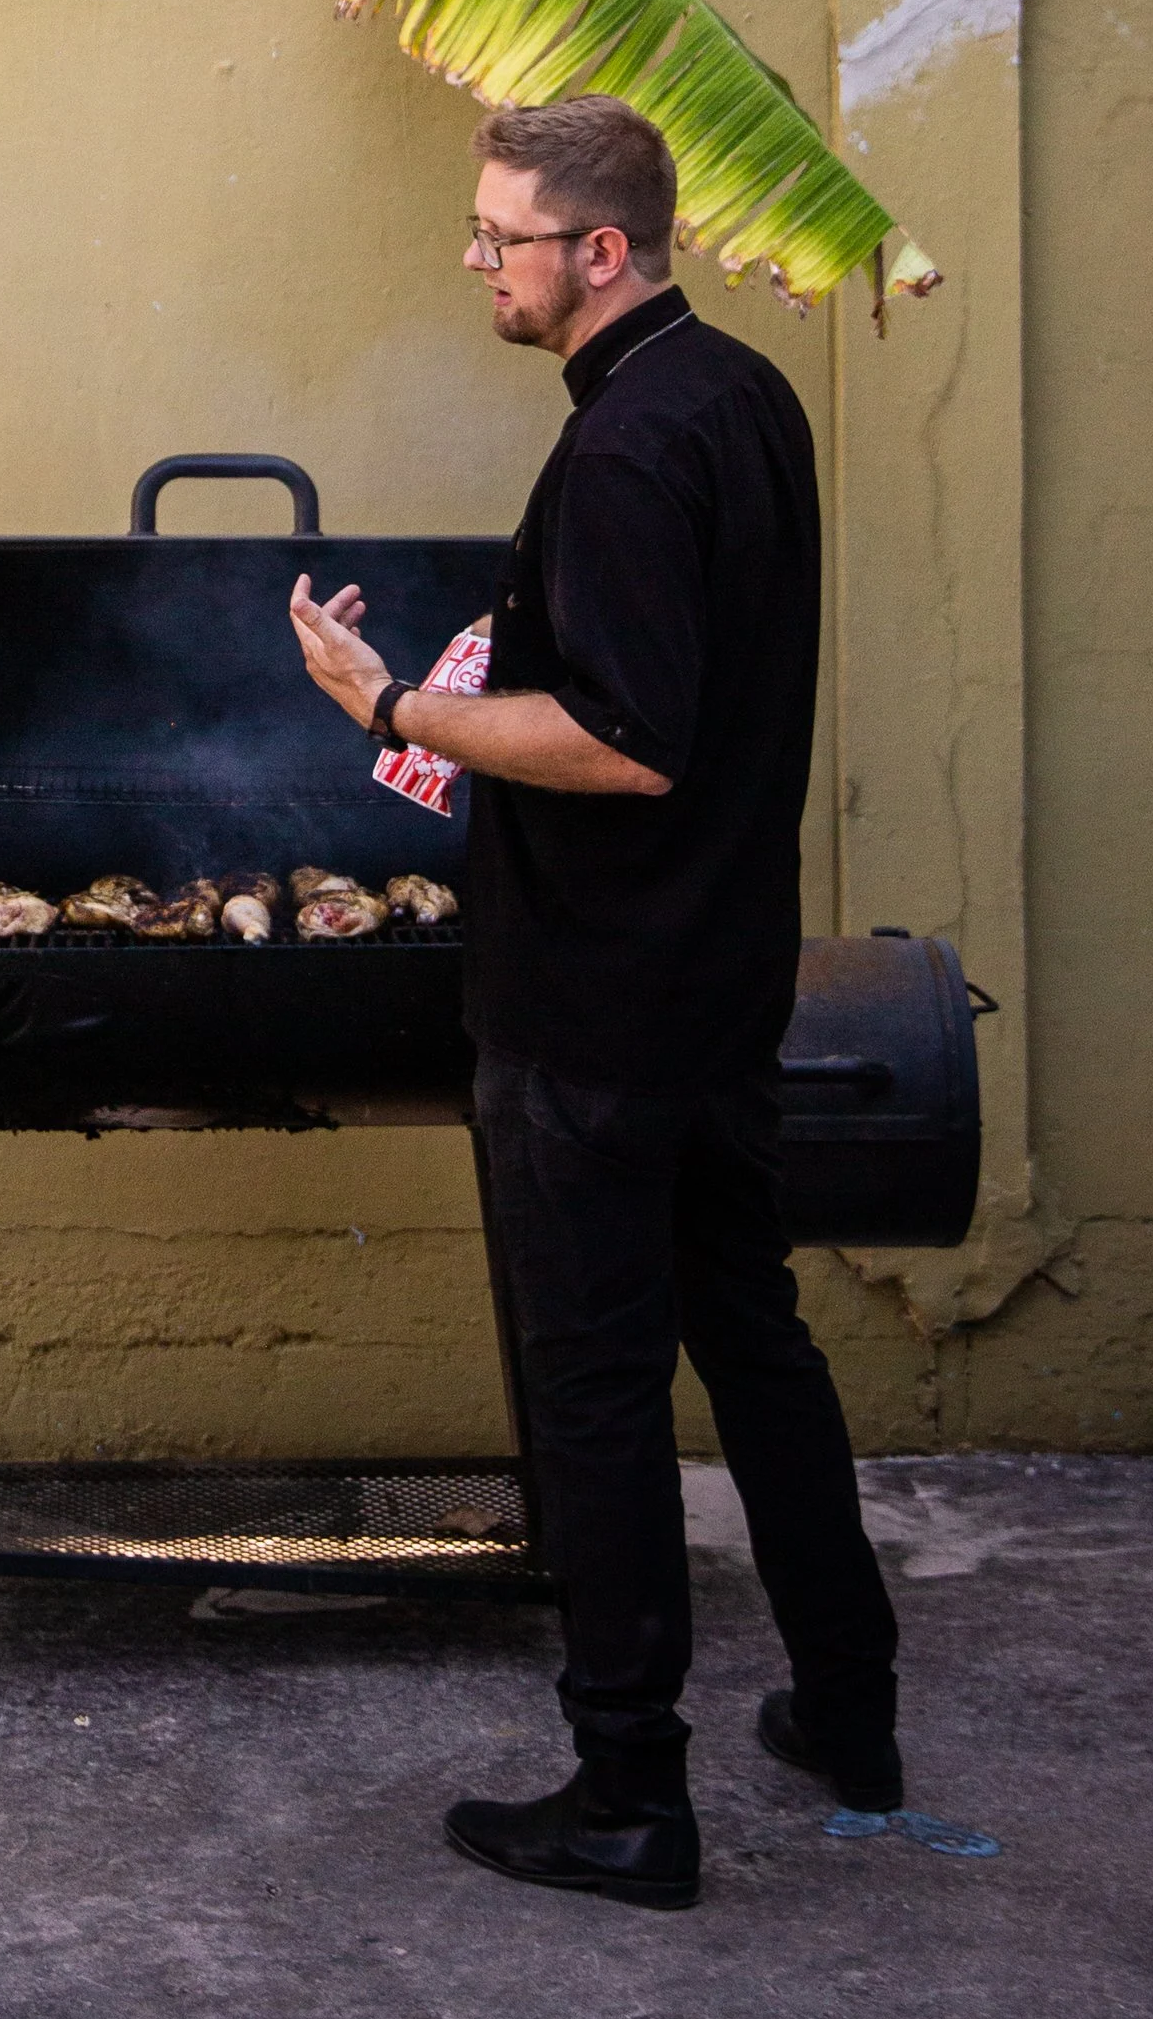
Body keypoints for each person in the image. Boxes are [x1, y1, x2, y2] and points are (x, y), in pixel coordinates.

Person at [286, 96, 899, 1912]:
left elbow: (624, 745)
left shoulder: (630, 449)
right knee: (755, 1338)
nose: (480, 261)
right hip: (717, 983)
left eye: (503, 237)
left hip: (597, 1011)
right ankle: (851, 1711)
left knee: (600, 1391)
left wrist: (388, 711)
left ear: (602, 252)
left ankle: (629, 1793)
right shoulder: (744, 399)